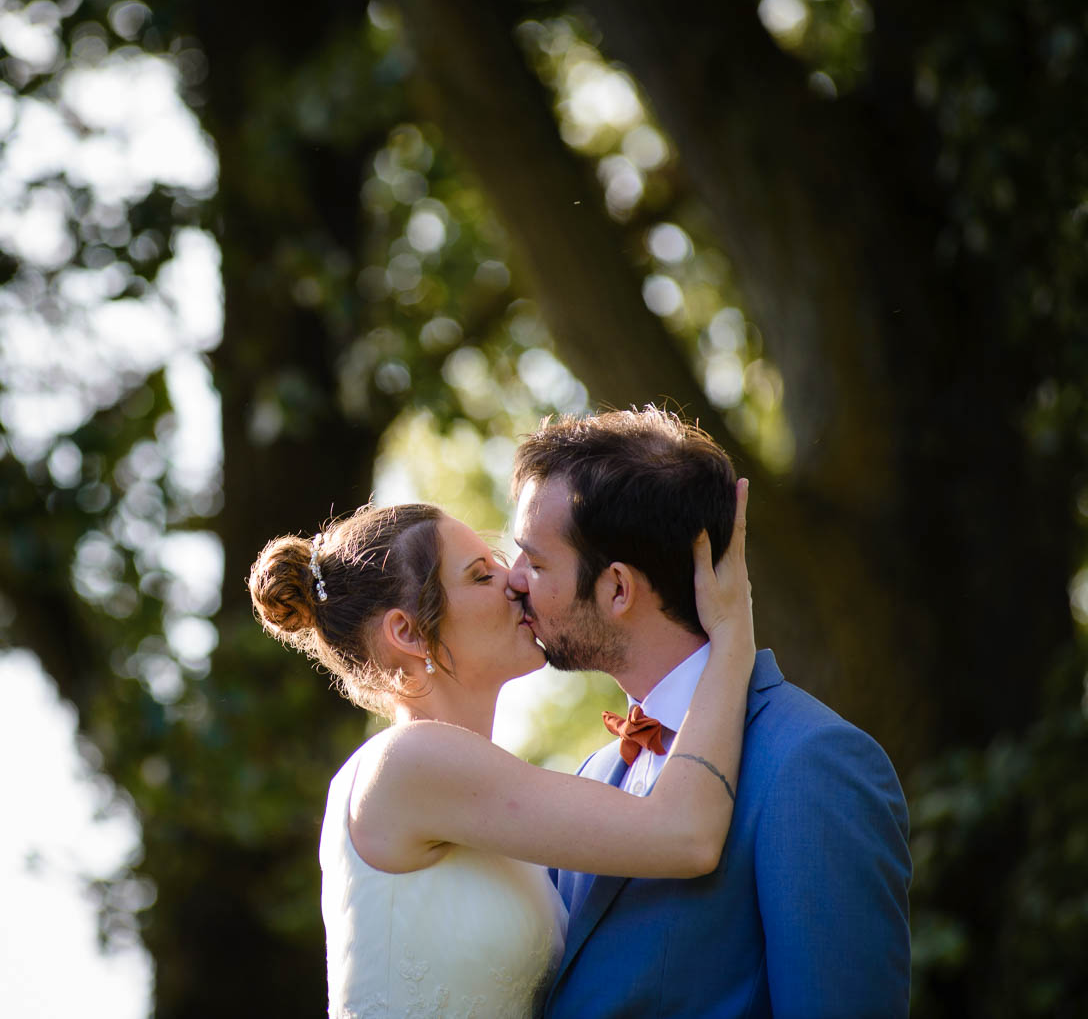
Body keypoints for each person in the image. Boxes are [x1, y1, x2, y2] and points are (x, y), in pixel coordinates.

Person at [247, 476, 753, 1018]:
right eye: (480, 574)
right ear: (409, 633)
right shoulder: (407, 763)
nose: (515, 580)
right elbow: (685, 837)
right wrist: (731, 639)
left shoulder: (473, 788)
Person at [506, 407, 912, 1018]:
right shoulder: (592, 774)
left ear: (618, 588)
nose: (513, 581)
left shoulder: (812, 764)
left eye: (535, 562)